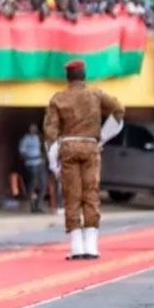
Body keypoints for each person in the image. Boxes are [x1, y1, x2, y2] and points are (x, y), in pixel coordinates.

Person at [43, 60, 124, 260]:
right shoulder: (95, 95)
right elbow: (119, 109)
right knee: (91, 194)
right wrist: (103, 137)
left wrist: (54, 163)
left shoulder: (58, 99)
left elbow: (50, 132)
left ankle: (77, 247)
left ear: (68, 77)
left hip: (68, 148)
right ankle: (92, 247)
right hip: (90, 147)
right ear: (84, 75)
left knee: (72, 196)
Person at [19, 124, 46, 214]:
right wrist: (30, 157)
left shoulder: (38, 138)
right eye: (31, 128)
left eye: (35, 128)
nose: (33, 130)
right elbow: (22, 152)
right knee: (32, 185)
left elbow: (42, 149)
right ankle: (32, 206)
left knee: (42, 185)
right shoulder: (26, 139)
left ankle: (38, 206)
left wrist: (42, 158)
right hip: (31, 164)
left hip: (39, 163)